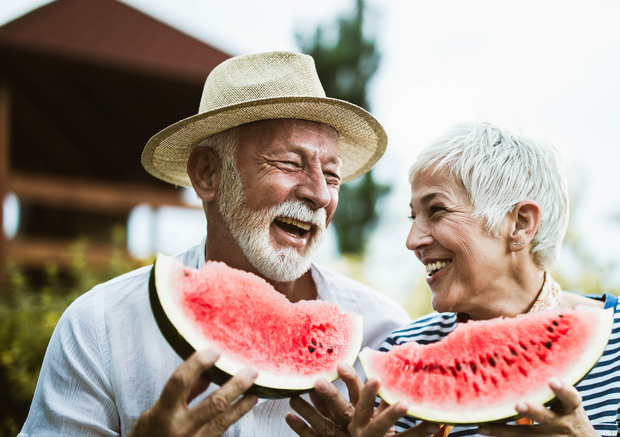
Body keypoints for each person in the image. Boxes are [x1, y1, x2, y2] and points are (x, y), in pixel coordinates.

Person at [19, 51, 410, 436]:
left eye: (332, 174)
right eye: (290, 164)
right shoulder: (100, 328)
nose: (320, 195)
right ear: (207, 174)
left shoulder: (385, 336)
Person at [286, 121, 620, 436]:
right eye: (413, 216)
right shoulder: (400, 353)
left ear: (520, 223)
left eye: (437, 211)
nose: (413, 240)